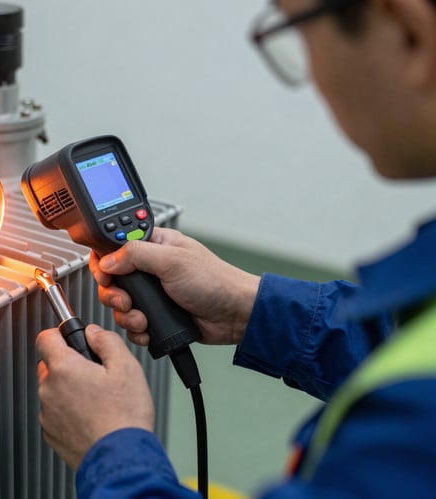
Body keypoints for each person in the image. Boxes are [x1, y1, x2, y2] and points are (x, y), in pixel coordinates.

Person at [35, 0, 436, 497]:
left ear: (409, 34)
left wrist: (112, 447)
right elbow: (400, 347)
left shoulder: (414, 421)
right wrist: (249, 308)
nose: (311, 73)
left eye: (298, 31)